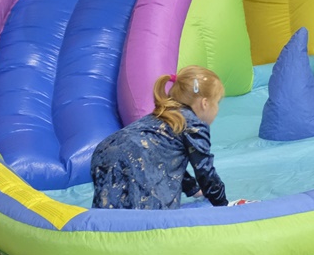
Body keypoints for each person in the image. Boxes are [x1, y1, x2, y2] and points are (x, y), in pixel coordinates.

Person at [90, 66, 229, 209]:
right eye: (217, 103)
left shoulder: (164, 115)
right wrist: (223, 205)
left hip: (105, 149)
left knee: (110, 212)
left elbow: (168, 164)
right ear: (205, 103)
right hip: (137, 156)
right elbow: (205, 171)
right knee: (152, 214)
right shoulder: (193, 124)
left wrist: (193, 189)